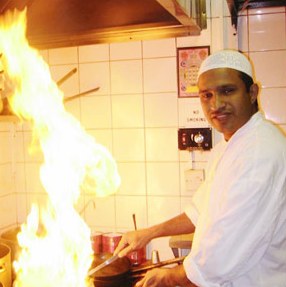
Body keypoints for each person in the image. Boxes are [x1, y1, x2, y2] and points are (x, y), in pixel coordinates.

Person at [114, 49, 286, 287]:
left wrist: (171, 277)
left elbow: (228, 246)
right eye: (207, 95)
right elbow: (199, 211)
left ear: (252, 92)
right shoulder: (230, 146)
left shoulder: (260, 151)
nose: (216, 104)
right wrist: (149, 233)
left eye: (227, 90)